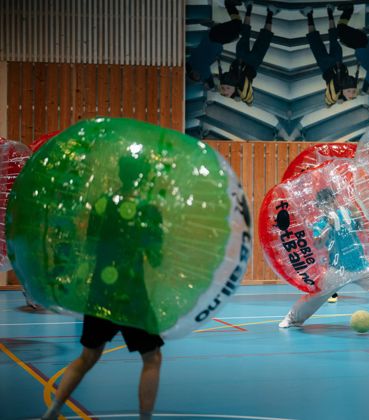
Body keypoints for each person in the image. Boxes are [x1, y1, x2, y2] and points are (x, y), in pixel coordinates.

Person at [42, 155, 165, 420]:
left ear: (121, 175)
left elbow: (89, 247)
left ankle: (52, 411)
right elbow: (156, 258)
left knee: (87, 356)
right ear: (142, 177)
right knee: (152, 358)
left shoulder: (102, 203)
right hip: (132, 293)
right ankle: (145, 418)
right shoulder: (148, 209)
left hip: (101, 290)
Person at [279, 187, 369, 330]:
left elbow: (361, 228)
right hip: (338, 270)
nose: (328, 205)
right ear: (320, 206)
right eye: (323, 204)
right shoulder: (320, 223)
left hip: (361, 266)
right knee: (315, 297)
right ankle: (292, 319)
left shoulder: (345, 214)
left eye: (330, 200)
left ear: (334, 200)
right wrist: (328, 226)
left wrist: (355, 211)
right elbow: (318, 244)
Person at [219, 2, 279, 105]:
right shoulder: (242, 92)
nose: (225, 88)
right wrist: (239, 98)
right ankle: (269, 13)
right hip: (252, 62)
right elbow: (250, 102)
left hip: (243, 58)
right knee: (263, 38)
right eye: (228, 88)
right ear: (234, 91)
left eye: (223, 88)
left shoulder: (226, 80)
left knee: (246, 33)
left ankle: (251, 8)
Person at [301, 5, 357, 106]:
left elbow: (329, 103)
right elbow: (327, 103)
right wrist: (341, 99)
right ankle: (310, 14)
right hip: (328, 65)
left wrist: (342, 98)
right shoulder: (336, 96)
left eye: (350, 93)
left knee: (332, 36)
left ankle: (329, 11)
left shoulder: (341, 93)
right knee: (315, 40)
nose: (351, 93)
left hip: (335, 62)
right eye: (352, 92)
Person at [186, 0, 243, 90]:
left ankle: (228, 4)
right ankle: (229, 5)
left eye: (193, 75)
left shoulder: (193, 63)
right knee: (237, 29)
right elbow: (209, 81)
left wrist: (211, 86)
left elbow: (208, 80)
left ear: (190, 73)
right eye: (196, 78)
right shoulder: (203, 72)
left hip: (213, 37)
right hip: (216, 40)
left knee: (238, 26)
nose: (196, 75)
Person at [336, 5, 369, 93]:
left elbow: (367, 60)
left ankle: (348, 11)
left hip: (361, 45)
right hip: (361, 42)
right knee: (340, 29)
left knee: (341, 34)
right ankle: (349, 9)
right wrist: (365, 89)